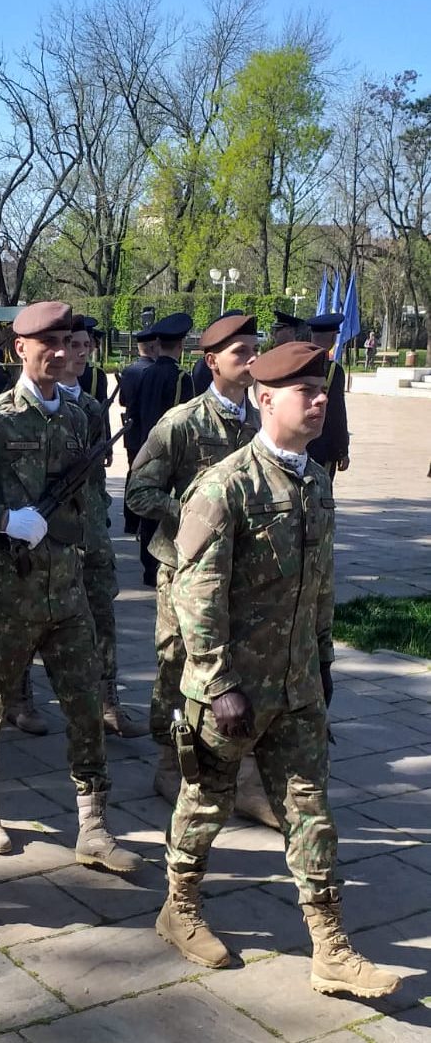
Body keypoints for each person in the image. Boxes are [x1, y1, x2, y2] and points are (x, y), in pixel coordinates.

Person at [158, 340, 401, 999]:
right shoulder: (225, 485)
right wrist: (217, 681)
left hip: (296, 686)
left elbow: (320, 585)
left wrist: (322, 661)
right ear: (266, 399)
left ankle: (331, 947)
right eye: (307, 392)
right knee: (205, 803)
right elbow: (195, 594)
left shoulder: (316, 480)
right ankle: (179, 910)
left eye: (323, 389)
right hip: (231, 690)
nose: (321, 400)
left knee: (311, 813)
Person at [0, 301, 140, 873]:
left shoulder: (84, 415)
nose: (63, 354)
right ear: (20, 349)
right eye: (49, 345)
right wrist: (3, 518)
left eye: (70, 343)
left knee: (85, 699)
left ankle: (93, 822)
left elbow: (88, 494)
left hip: (66, 585)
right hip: (4, 586)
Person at [127, 313, 275, 828]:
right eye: (241, 353)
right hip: (187, 572)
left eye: (256, 350)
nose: (252, 360)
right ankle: (172, 764)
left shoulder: (261, 422)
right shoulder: (182, 423)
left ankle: (246, 775)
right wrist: (197, 515)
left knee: (243, 666)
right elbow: (138, 493)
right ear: (211, 362)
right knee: (177, 667)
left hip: (245, 574)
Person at [58, 315, 146, 739]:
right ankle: (18, 700)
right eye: (72, 343)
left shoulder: (93, 406)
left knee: (102, 617)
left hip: (91, 528)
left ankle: (108, 702)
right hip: (48, 535)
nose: (79, 352)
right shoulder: (38, 403)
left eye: (84, 345)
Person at [130, 312, 194, 587]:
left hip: (147, 446)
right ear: (180, 346)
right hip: (171, 451)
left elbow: (135, 411)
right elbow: (185, 418)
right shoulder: (181, 378)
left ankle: (148, 566)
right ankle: (161, 562)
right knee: (168, 509)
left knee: (149, 510)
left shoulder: (147, 373)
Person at [119, 327, 157, 534]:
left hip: (131, 431)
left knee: (132, 473)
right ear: (152, 347)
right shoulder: (152, 372)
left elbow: (123, 400)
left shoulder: (129, 370)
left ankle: (130, 520)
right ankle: (143, 520)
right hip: (148, 431)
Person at [307, 313, 350, 483]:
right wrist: (342, 450)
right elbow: (336, 413)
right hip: (321, 446)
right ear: (333, 337)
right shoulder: (333, 370)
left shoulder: (295, 364)